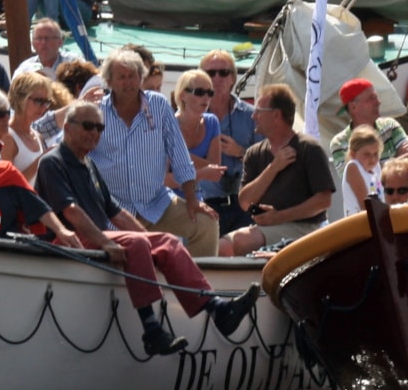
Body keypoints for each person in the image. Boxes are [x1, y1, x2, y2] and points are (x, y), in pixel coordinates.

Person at [35, 101, 260, 356]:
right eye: (88, 126)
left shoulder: (88, 163)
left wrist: (150, 239)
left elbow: (115, 211)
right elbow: (71, 212)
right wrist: (109, 242)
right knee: (137, 243)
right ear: (67, 128)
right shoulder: (53, 162)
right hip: (70, 241)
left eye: (99, 128)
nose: (94, 133)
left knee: (167, 241)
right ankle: (151, 329)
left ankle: (217, 308)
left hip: (93, 237)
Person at [88, 50, 219, 258]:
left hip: (157, 204)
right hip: (112, 212)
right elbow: (75, 155)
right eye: (121, 77)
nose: (128, 82)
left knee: (206, 223)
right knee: (123, 255)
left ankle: (197, 278)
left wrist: (192, 199)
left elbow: (179, 154)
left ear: (141, 78)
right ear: (109, 81)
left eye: (132, 76)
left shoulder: (158, 105)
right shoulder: (95, 112)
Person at [220, 85, 333, 255]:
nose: (253, 116)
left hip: (305, 229)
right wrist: (273, 168)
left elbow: (323, 200)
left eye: (259, 111)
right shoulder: (254, 153)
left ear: (276, 115)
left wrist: (280, 216)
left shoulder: (309, 149)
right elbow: (244, 202)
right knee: (222, 247)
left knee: (242, 241)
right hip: (267, 228)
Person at [199, 50, 259, 234]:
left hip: (243, 207)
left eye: (223, 73)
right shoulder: (190, 117)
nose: (217, 78)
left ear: (233, 78)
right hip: (203, 206)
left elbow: (267, 164)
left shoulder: (252, 116)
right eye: (211, 73)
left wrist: (241, 152)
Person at [328, 78, 408, 167]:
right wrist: (398, 160)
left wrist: (369, 169)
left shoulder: (390, 126)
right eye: (372, 98)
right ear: (353, 107)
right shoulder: (339, 143)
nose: (378, 102)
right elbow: (353, 175)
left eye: (376, 97)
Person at [340, 126, 384, 215]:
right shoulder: (353, 167)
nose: (372, 159)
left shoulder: (376, 167)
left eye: (375, 154)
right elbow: (365, 205)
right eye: (367, 154)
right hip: (359, 221)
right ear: (353, 154)